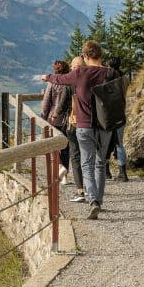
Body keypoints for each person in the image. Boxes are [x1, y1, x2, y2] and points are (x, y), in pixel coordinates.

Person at [42, 41, 117, 220]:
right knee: (100, 163)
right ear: (100, 55)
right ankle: (98, 199)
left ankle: (93, 201)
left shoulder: (80, 73)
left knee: (87, 164)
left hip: (84, 125)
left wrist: (47, 77)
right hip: (105, 126)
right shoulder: (111, 73)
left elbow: (60, 79)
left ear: (85, 57)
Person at [41, 60, 72, 183]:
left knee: (52, 145)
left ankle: (60, 167)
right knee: (65, 146)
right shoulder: (69, 82)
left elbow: (46, 102)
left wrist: (43, 118)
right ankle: (64, 176)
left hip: (53, 118)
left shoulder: (52, 83)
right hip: (67, 118)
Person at [63, 56, 86, 201]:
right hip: (89, 124)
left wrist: (54, 116)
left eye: (72, 67)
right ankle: (91, 188)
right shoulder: (91, 82)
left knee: (76, 156)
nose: (71, 69)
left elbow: (63, 104)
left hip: (73, 124)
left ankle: (80, 190)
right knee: (89, 156)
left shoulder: (70, 84)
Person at [105, 57, 129, 182]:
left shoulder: (107, 80)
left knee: (106, 144)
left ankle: (106, 171)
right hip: (120, 113)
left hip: (108, 115)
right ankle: (122, 173)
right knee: (119, 144)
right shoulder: (124, 79)